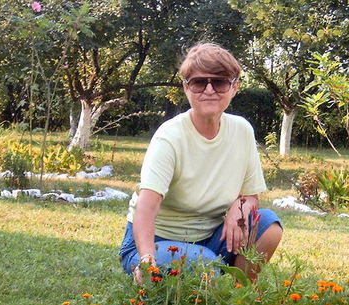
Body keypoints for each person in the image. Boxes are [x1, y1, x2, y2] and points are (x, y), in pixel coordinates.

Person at [118, 42, 283, 283]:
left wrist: (237, 210)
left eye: (219, 82)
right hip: (156, 242)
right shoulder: (170, 136)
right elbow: (146, 207)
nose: (209, 90)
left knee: (268, 225)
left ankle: (237, 295)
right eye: (198, 82)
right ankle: (206, 278)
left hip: (213, 239)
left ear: (235, 87)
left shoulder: (242, 130)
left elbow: (250, 196)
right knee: (204, 263)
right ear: (186, 87)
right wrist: (146, 258)